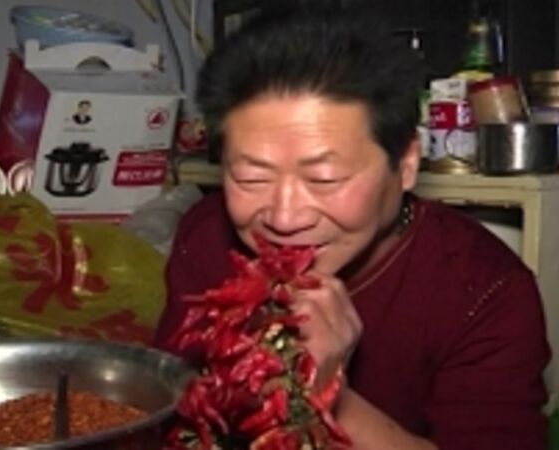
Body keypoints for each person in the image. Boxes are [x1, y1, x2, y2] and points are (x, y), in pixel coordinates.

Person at [152, 2, 550, 450]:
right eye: (250, 178)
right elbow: (168, 405)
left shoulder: (485, 291)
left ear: (406, 164)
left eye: (325, 179)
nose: (284, 217)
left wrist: (327, 394)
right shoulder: (206, 237)